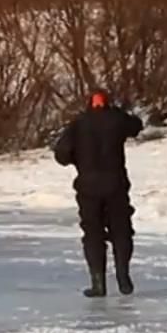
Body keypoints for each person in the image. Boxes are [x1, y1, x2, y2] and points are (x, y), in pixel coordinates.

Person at [53, 90, 145, 298]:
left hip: (88, 186)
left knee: (92, 233)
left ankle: (98, 284)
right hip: (116, 184)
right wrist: (117, 113)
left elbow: (62, 155)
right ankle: (123, 276)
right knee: (121, 229)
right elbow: (136, 126)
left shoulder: (78, 124)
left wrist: (78, 158)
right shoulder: (116, 119)